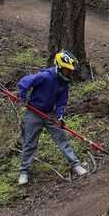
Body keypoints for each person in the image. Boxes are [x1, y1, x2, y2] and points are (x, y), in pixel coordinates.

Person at [17, 50, 88, 185]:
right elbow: (24, 83)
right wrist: (23, 98)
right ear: (60, 67)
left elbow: (62, 102)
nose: (69, 74)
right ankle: (24, 171)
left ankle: (76, 165)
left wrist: (60, 115)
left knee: (62, 139)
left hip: (50, 114)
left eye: (70, 71)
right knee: (30, 143)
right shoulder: (45, 76)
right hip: (34, 113)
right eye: (67, 71)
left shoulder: (64, 83)